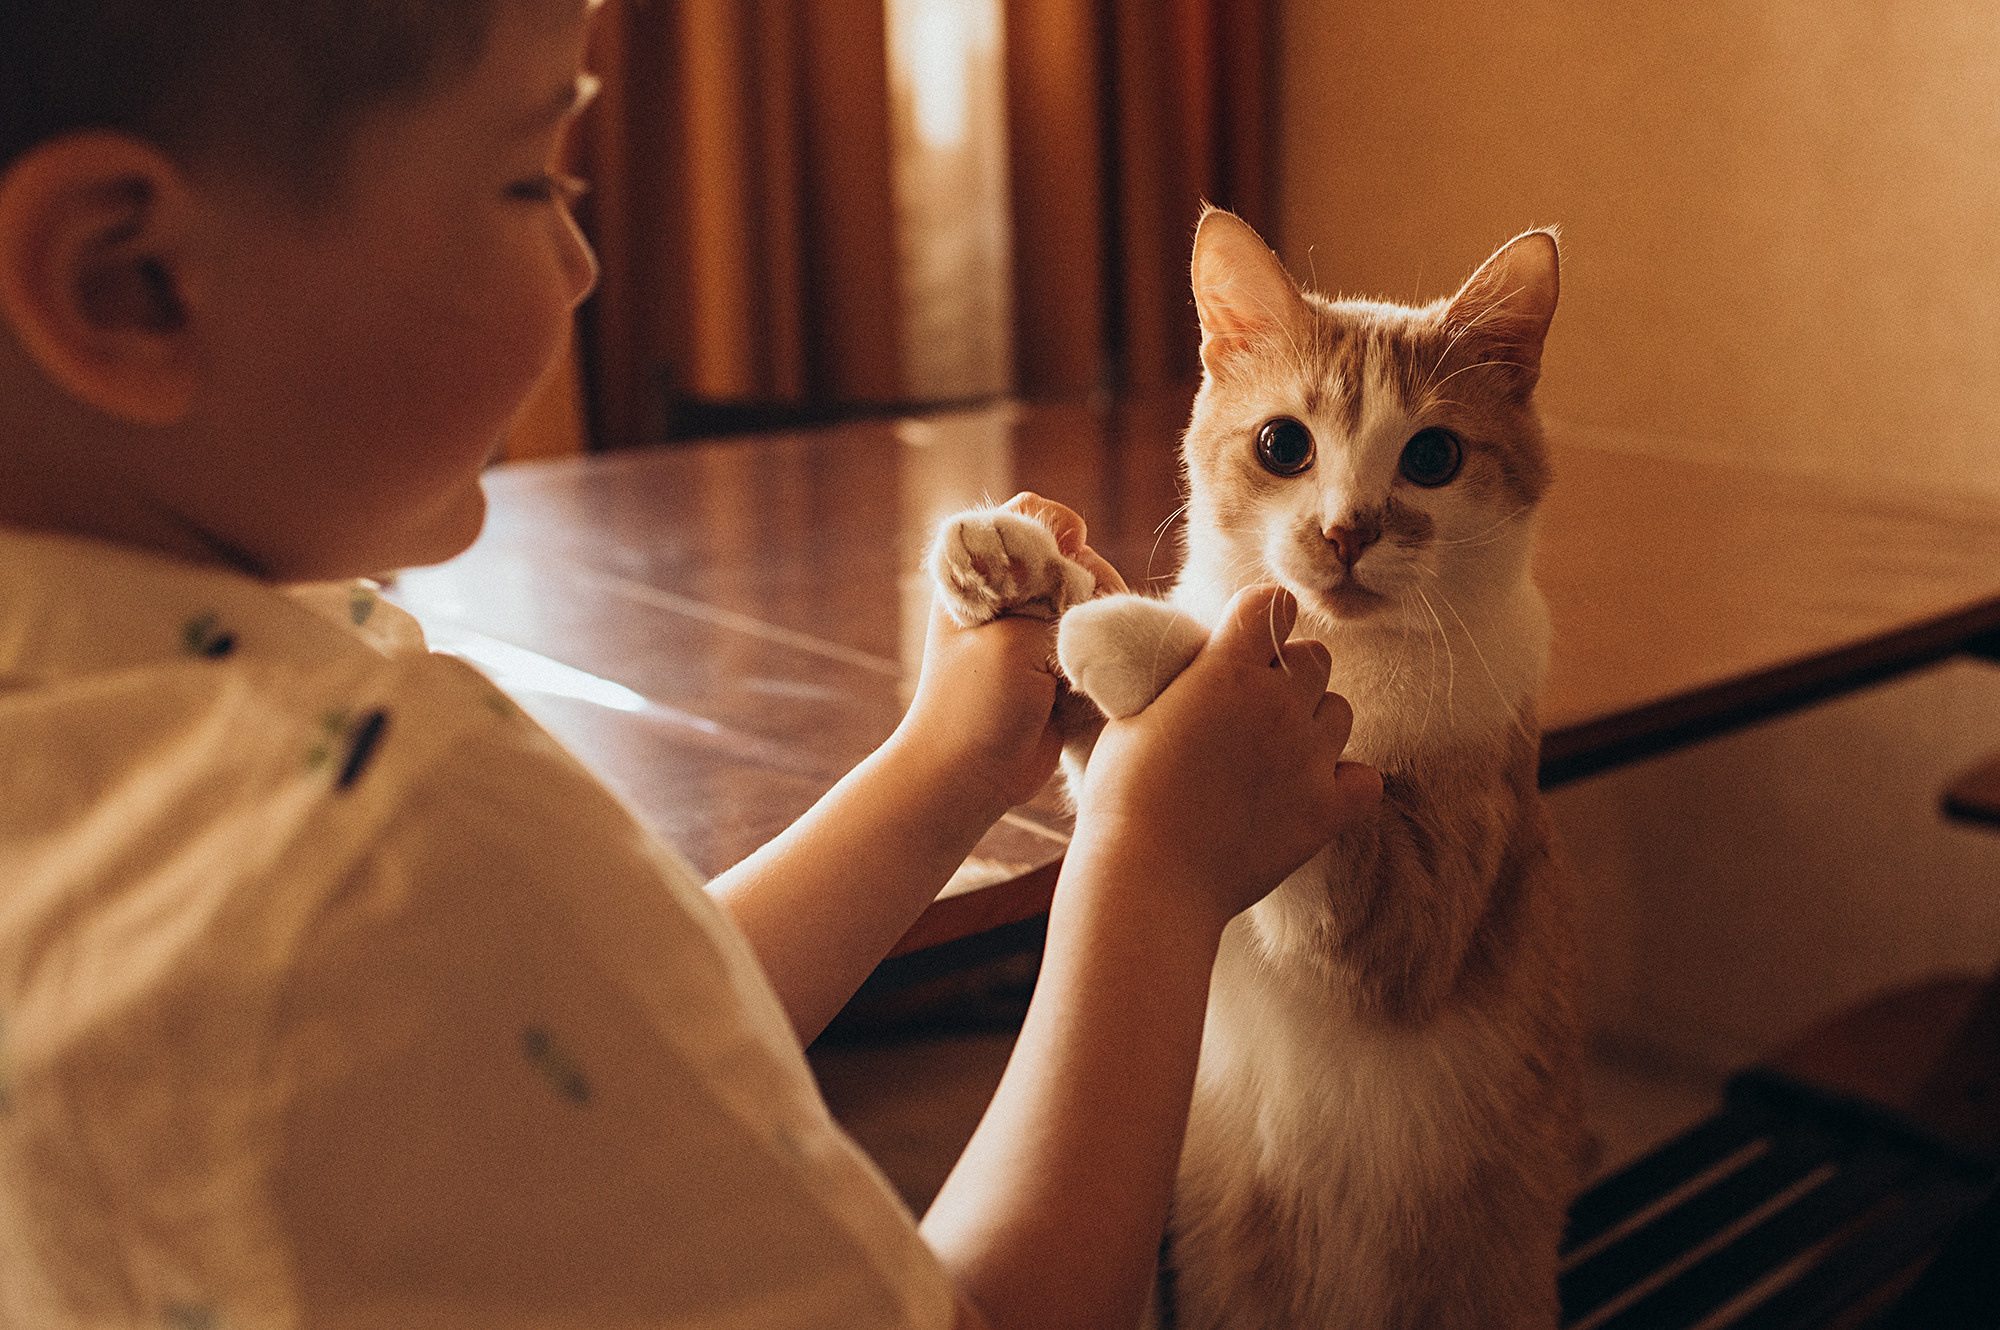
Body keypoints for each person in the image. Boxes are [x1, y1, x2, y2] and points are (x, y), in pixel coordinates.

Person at [0, 0, 1382, 1325]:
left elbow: (571, 1037)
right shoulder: (378, 827)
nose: (586, 266)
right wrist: (1153, 862)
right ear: (126, 281)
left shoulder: (151, 734)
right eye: (531, 183)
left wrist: (939, 770)